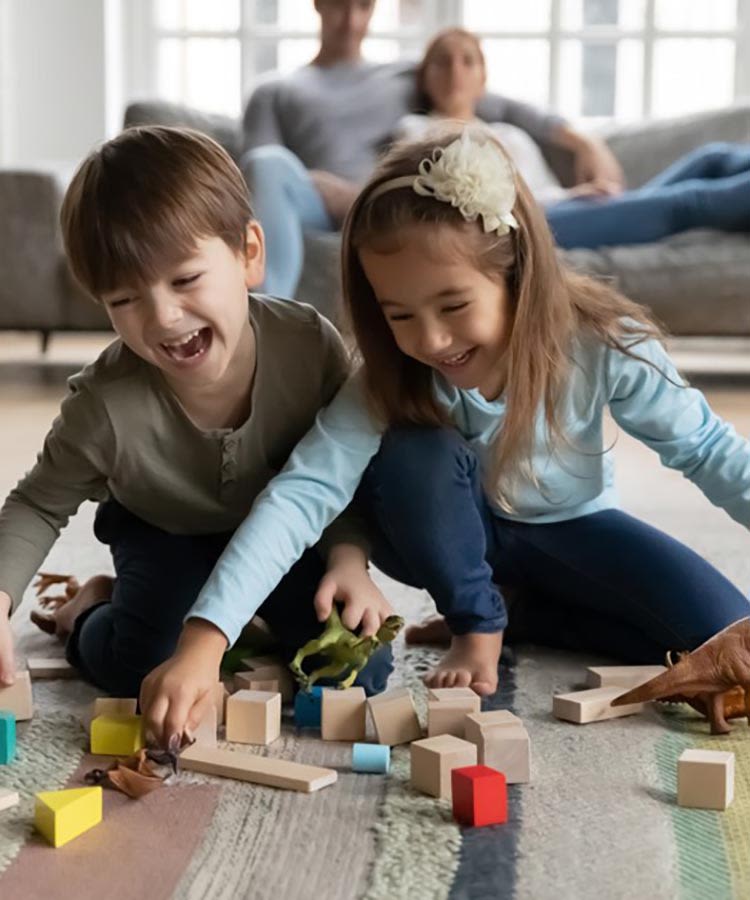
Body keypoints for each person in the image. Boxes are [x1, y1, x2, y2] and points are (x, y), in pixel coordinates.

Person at [141, 124, 750, 745]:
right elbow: (301, 493)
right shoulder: (386, 379)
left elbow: (709, 451)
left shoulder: (604, 343)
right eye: (399, 315)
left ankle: (526, 614)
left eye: (454, 306)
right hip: (441, 538)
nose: (429, 341)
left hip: (571, 530)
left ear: (517, 272)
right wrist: (203, 640)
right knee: (415, 449)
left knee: (730, 637)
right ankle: (479, 618)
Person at [0, 125, 395, 705]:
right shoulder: (105, 403)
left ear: (249, 255)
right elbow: (37, 504)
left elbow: (337, 477)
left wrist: (348, 558)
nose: (162, 317)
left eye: (185, 279)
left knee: (360, 664)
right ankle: (87, 611)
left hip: (284, 538)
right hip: (163, 534)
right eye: (124, 300)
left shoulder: (310, 347)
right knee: (140, 664)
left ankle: (242, 620)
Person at [240, 2, 620, 296]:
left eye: (364, 6)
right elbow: (258, 182)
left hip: (395, 195)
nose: (351, 20)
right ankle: (269, 312)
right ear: (318, 4)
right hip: (320, 201)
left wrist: (584, 141)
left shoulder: (406, 77)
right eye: (339, 4)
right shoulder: (275, 90)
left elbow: (498, 106)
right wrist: (319, 184)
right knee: (266, 162)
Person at [403, 28, 750, 249]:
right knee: (686, 202)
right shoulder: (415, 131)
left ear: (483, 79)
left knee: (713, 156)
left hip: (558, 209)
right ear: (423, 79)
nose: (455, 73)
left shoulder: (510, 134)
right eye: (442, 62)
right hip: (524, 229)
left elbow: (543, 190)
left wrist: (574, 195)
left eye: (467, 62)